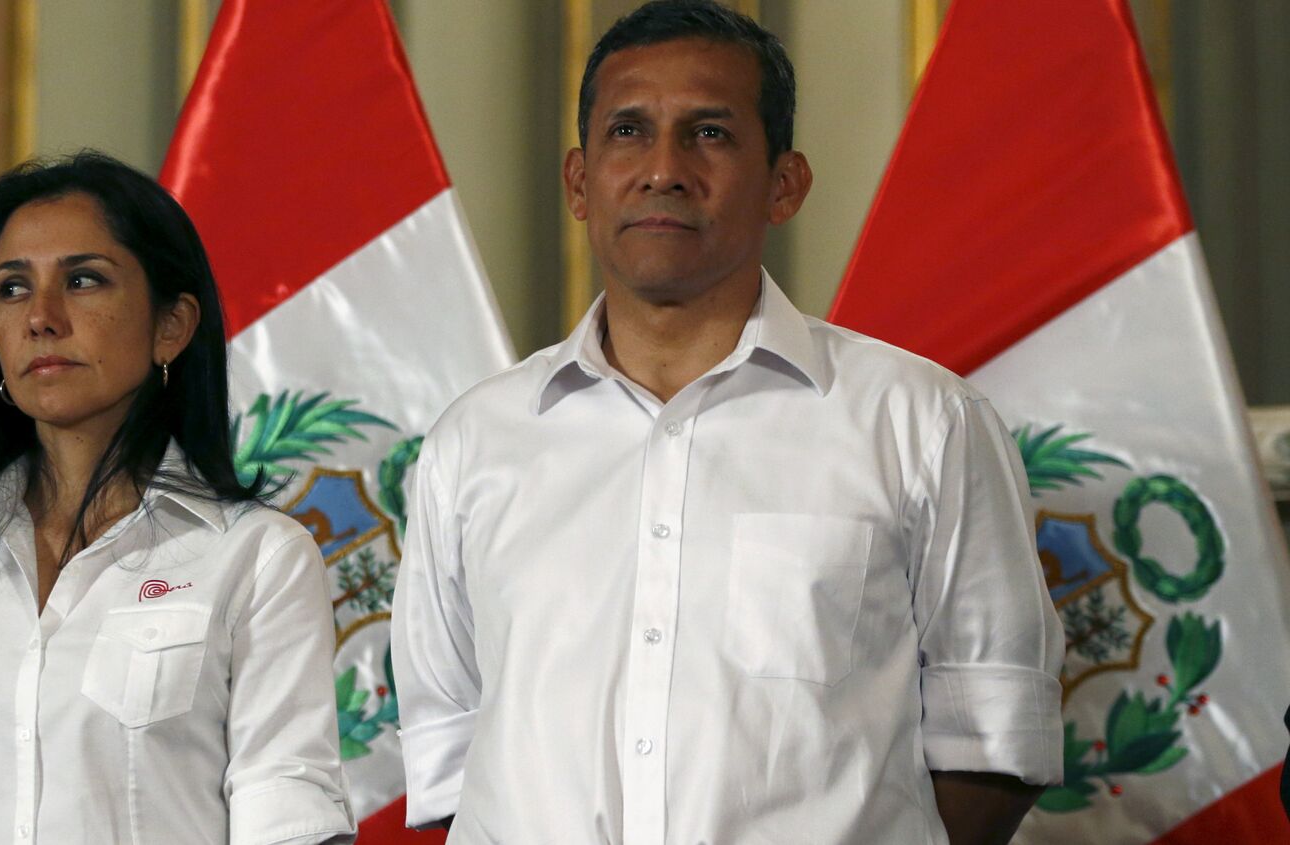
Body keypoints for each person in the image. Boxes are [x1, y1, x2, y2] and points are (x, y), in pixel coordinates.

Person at [390, 2, 1062, 842]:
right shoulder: (477, 440)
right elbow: (450, 755)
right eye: (628, 131)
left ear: (785, 184)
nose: (663, 169)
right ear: (577, 180)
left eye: (709, 133)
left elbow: (994, 745)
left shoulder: (922, 423)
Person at [0, 152, 355, 845]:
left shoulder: (255, 559)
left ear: (172, 325)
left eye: (82, 280)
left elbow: (289, 821)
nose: (41, 316)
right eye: (12, 288)